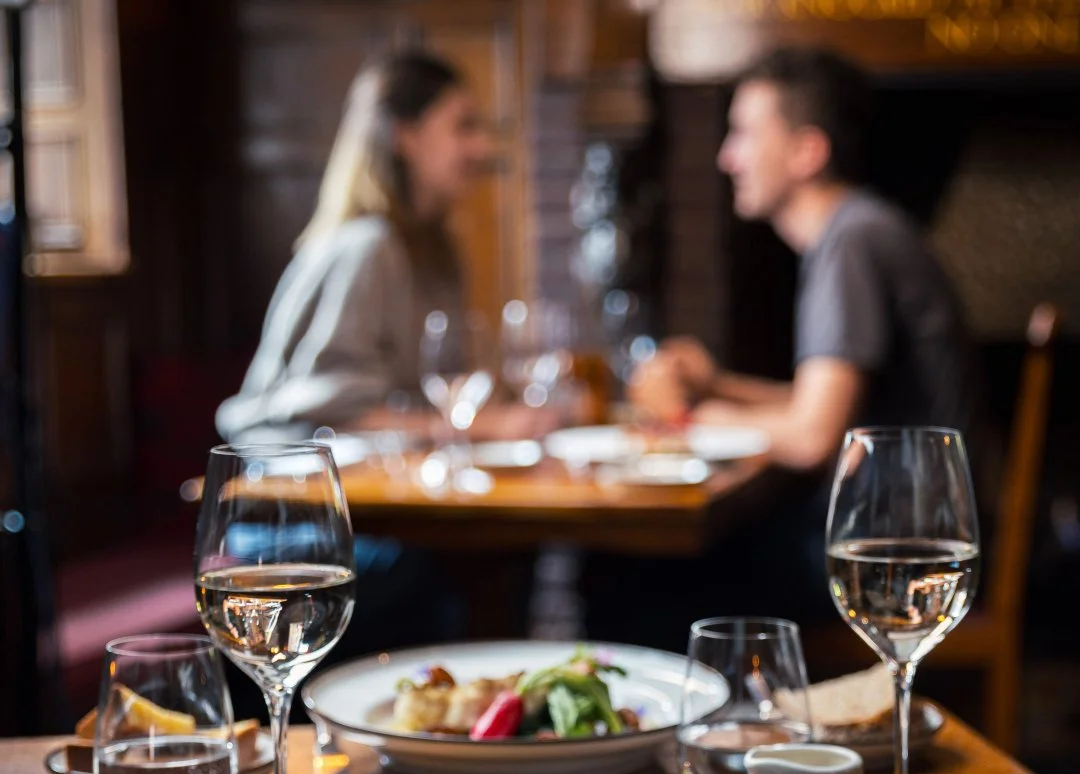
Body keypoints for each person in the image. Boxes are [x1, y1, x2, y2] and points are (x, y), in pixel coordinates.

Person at [586, 47, 983, 650]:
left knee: (628, 576)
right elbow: (817, 404)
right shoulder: (864, 228)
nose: (726, 156)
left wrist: (684, 418)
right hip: (909, 531)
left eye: (744, 133)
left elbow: (812, 436)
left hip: (898, 553)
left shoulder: (849, 243)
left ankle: (702, 739)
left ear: (807, 151)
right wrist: (716, 383)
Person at [217, 52, 488, 442]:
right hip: (296, 490)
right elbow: (328, 416)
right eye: (463, 127)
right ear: (406, 137)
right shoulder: (367, 247)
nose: (480, 147)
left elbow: (439, 390)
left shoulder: (439, 251)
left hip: (374, 483)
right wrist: (482, 428)